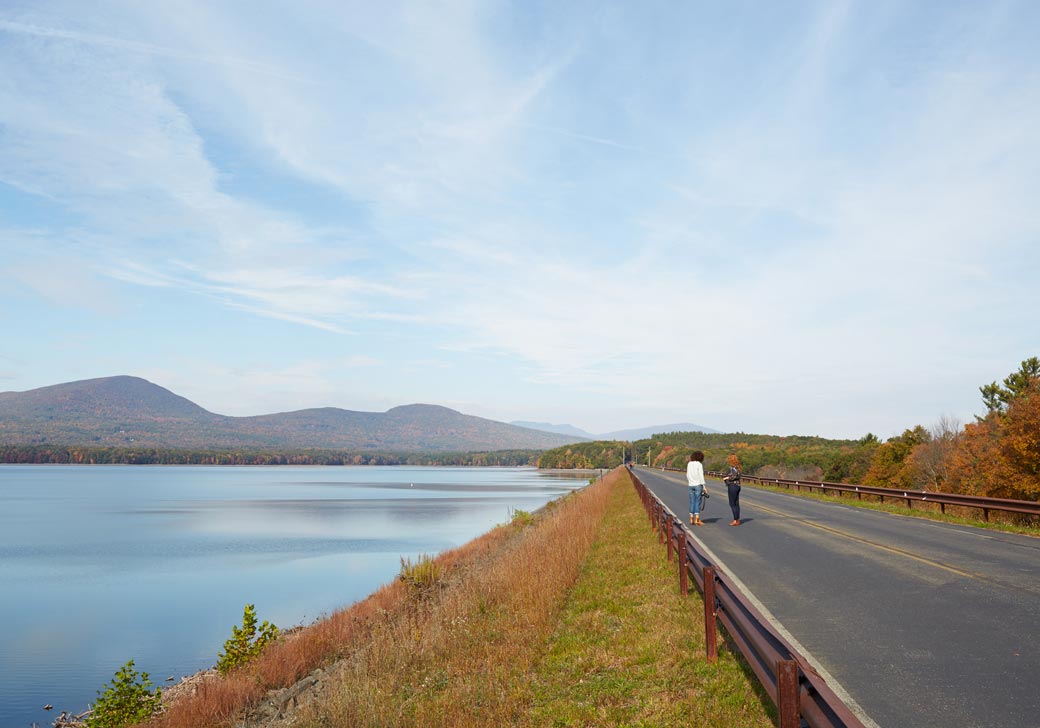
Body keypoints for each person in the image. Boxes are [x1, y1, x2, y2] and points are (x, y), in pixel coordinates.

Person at [686, 451, 707, 525]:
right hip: (698, 485)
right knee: (697, 502)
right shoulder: (699, 464)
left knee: (692, 501)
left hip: (690, 485)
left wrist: (690, 481)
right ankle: (697, 519)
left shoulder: (689, 464)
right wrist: (704, 486)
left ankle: (691, 518)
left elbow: (687, 475)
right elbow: (701, 476)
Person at [723, 454, 742, 526]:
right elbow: (738, 476)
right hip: (738, 486)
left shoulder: (731, 468)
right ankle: (737, 519)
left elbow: (732, 476)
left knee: (732, 503)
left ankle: (735, 520)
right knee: (737, 503)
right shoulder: (738, 468)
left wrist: (726, 478)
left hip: (732, 486)